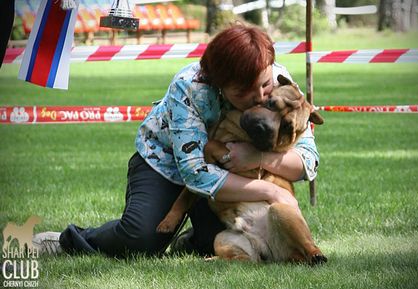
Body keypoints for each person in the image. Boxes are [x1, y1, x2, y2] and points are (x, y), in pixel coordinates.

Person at [33, 24, 320, 258]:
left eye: (265, 84)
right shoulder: (189, 87)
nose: (260, 97)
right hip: (166, 164)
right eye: (245, 90)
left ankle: (195, 239)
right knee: (142, 239)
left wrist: (257, 159)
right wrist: (271, 193)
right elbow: (195, 173)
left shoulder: (280, 82)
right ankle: (66, 240)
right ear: (220, 81)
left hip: (230, 174)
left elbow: (308, 158)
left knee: (222, 244)